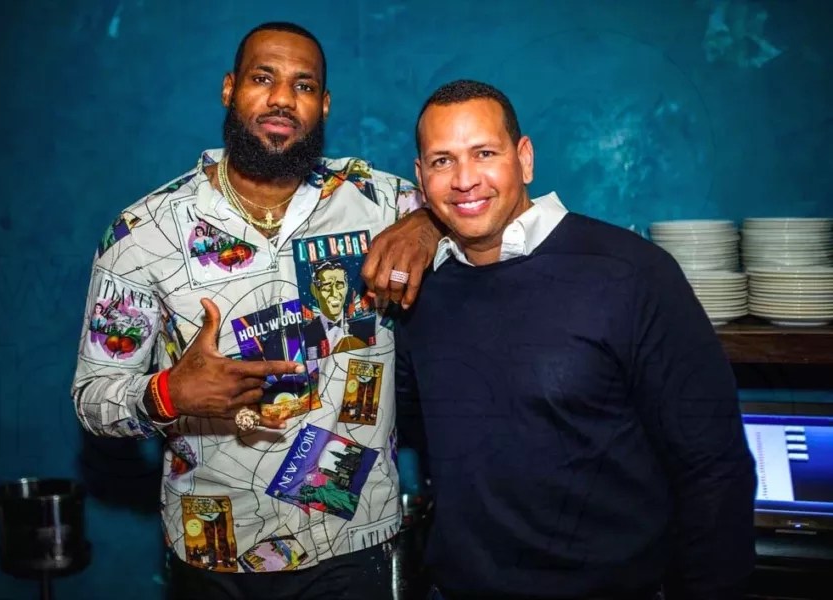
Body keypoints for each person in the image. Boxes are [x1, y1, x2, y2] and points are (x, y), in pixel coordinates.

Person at [72, 21, 444, 600]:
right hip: (214, 551)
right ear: (230, 88)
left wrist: (427, 223)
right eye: (263, 79)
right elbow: (93, 398)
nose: (282, 99)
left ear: (324, 104)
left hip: (354, 543)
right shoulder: (144, 233)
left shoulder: (380, 202)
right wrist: (168, 394)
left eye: (303, 85)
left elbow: (477, 209)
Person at [396, 80, 757, 600]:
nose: (465, 179)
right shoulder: (422, 292)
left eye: (484, 153)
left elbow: (713, 466)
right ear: (420, 177)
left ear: (524, 159)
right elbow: (414, 430)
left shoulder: (630, 273)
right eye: (442, 161)